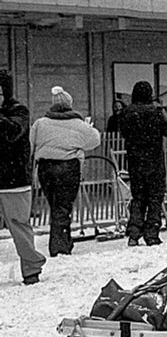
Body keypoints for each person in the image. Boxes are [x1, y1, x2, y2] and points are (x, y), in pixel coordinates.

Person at [29, 86, 101, 257]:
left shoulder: (40, 123)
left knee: (55, 205)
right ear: (70, 104)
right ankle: (60, 245)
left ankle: (62, 240)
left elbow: (31, 144)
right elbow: (94, 140)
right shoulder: (78, 124)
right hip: (68, 168)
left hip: (45, 168)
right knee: (63, 206)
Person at [0, 70, 46, 285]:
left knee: (19, 226)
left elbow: (12, 133)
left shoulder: (18, 111)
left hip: (13, 181)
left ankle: (31, 268)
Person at [119, 81, 167, 247]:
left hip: (135, 160)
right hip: (154, 160)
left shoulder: (127, 112)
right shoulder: (156, 112)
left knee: (138, 197)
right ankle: (152, 233)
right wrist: (162, 111)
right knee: (155, 197)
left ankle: (134, 233)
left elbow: (123, 132)